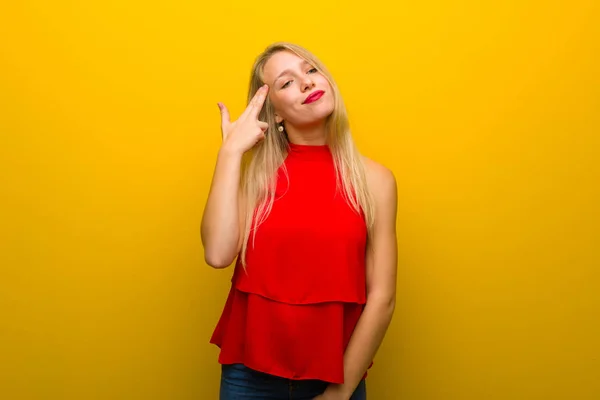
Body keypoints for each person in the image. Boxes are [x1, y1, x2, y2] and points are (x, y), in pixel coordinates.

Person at [201, 42, 398, 400]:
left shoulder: (376, 181)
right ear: (273, 113)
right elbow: (217, 254)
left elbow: (382, 296)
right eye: (286, 82)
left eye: (310, 70)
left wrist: (340, 393)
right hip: (249, 379)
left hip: (337, 378)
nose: (306, 83)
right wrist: (229, 153)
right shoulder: (253, 177)